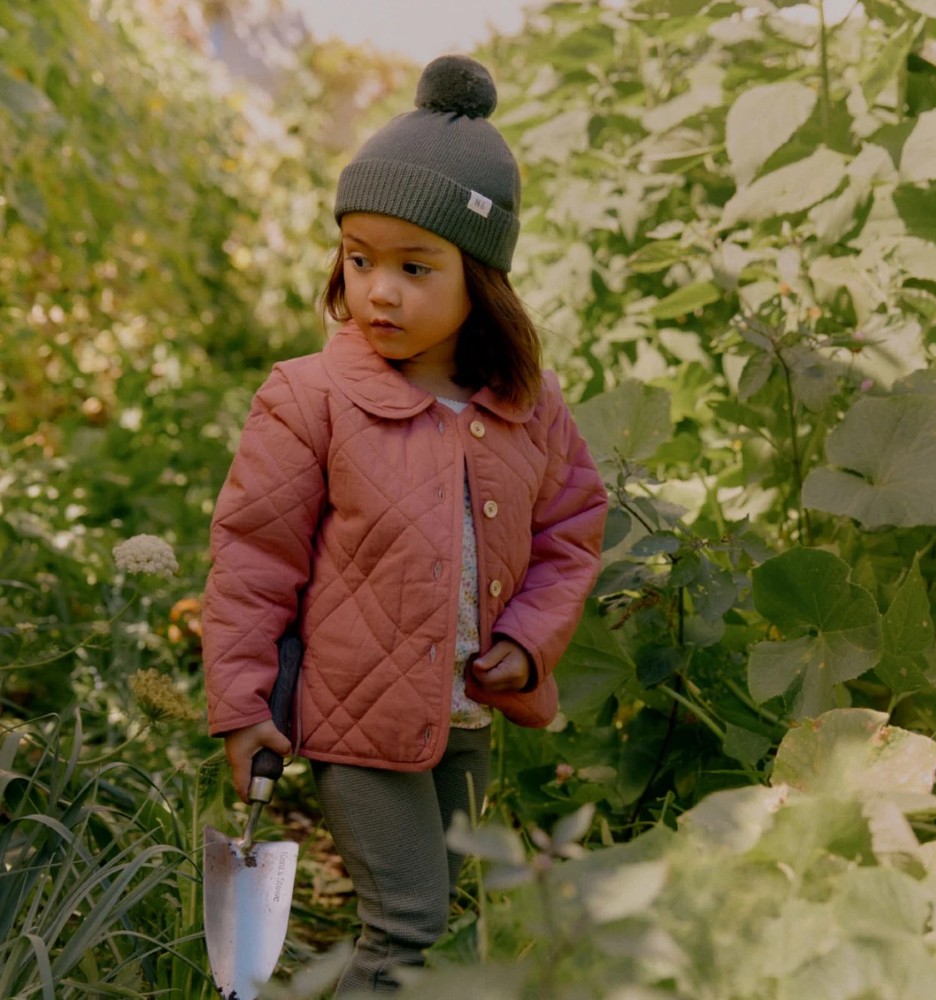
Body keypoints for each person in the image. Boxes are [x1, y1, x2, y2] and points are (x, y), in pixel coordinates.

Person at [202, 54, 608, 995]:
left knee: (445, 918)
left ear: (482, 278)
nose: (379, 290)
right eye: (360, 259)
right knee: (408, 926)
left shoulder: (528, 407)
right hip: (355, 719)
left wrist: (528, 641)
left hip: (466, 716)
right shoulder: (309, 399)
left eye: (414, 267)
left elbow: (570, 535)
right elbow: (253, 560)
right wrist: (243, 704)